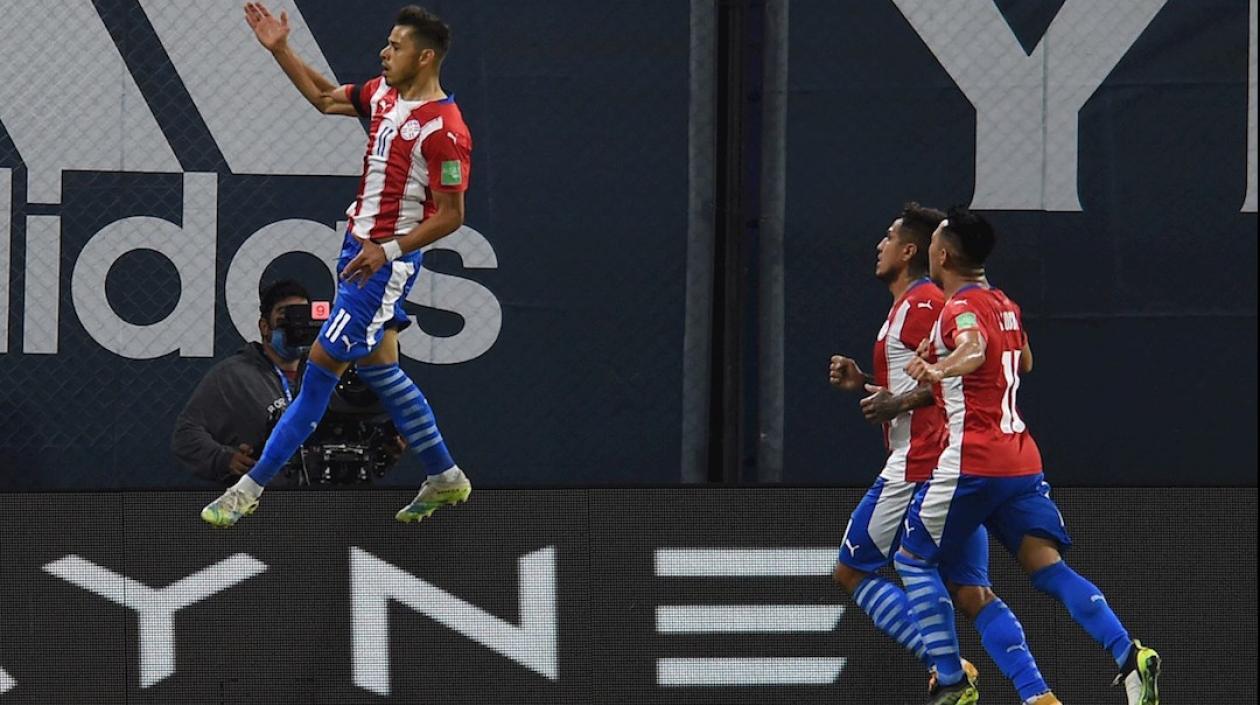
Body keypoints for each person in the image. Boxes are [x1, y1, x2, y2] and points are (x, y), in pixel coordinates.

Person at [202, 3, 473, 526]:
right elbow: (325, 99)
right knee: (381, 371)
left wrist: (388, 251)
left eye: (395, 46)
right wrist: (281, 49)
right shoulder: (383, 95)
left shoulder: (446, 130)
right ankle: (444, 475)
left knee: (318, 374)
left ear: (425, 56)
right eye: (387, 44)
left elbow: (453, 216)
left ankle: (247, 490)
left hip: (380, 268)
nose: (384, 52)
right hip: (358, 254)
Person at [895, 208, 1161, 705]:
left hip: (971, 463)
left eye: (933, 242)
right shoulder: (1006, 304)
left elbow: (973, 349)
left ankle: (952, 681)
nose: (931, 249)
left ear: (944, 253)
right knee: (1048, 567)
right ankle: (1128, 655)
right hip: (1021, 462)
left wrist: (939, 368)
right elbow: (1025, 359)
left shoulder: (960, 307)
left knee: (912, 559)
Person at [829, 204, 1028, 699]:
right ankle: (1035, 692)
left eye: (889, 237)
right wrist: (868, 386)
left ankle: (950, 671)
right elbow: (929, 382)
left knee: (853, 569)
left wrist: (895, 399)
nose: (880, 245)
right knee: (971, 591)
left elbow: (950, 380)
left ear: (912, 250)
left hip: (922, 459)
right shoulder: (909, 304)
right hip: (948, 458)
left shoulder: (922, 305)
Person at [172, 279, 309, 486]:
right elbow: (186, 434)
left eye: (302, 318)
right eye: (284, 318)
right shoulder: (233, 375)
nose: (295, 326)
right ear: (265, 326)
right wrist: (225, 459)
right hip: (262, 500)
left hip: (323, 499)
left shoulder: (329, 374)